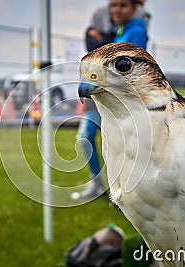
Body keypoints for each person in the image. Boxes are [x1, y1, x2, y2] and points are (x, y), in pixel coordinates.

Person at [71, 0, 150, 200]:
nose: (116, 10)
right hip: (101, 94)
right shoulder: (121, 31)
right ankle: (100, 185)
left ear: (134, 8)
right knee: (87, 137)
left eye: (122, 5)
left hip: (116, 98)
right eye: (113, 5)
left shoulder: (136, 31)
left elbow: (127, 71)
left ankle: (124, 191)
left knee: (120, 145)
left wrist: (99, 44)